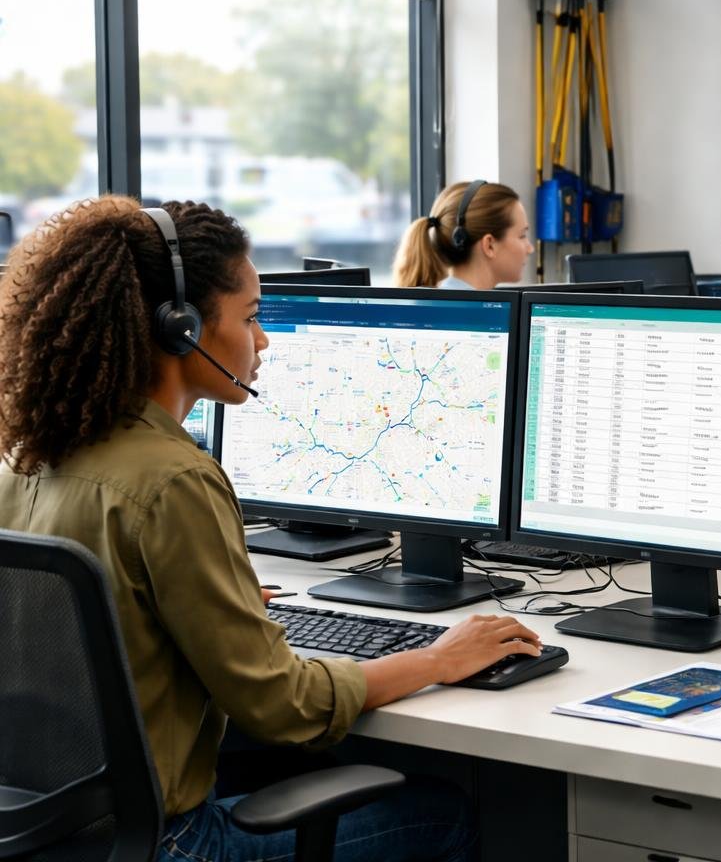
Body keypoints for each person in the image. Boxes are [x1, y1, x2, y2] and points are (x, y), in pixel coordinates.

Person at [0, 197, 545, 862]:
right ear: (180, 329)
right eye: (251, 317)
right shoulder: (174, 480)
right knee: (445, 814)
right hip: (172, 845)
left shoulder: (21, 459)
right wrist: (438, 658)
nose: (262, 341)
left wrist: (216, 616)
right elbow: (283, 707)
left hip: (49, 838)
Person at [393, 179, 533, 289]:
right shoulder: (480, 314)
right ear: (489, 245)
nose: (530, 249)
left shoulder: (441, 303)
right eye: (522, 236)